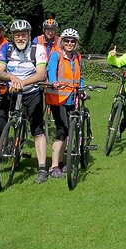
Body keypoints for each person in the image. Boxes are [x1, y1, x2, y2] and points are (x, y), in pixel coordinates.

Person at [0, 20, 49, 184]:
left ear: (28, 36)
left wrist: (22, 83)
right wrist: (12, 78)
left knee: (37, 130)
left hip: (31, 92)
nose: (20, 38)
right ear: (12, 36)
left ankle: (41, 169)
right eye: (17, 35)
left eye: (23, 35)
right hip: (11, 91)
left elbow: (41, 75)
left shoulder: (38, 49)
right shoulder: (7, 48)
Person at [44, 28, 84, 178]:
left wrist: (82, 89)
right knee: (62, 129)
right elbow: (51, 69)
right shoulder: (56, 54)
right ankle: (54, 166)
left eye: (72, 41)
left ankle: (60, 162)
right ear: (62, 42)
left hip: (71, 98)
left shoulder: (77, 57)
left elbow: (80, 76)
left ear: (76, 43)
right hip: (57, 97)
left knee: (68, 130)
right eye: (66, 40)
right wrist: (54, 81)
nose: (69, 43)